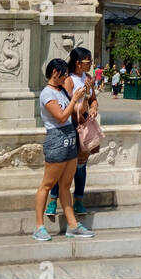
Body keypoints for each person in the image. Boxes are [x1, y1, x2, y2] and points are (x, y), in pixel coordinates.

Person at [33, 59, 93, 242]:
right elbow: (60, 117)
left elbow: (76, 111)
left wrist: (85, 95)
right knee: (47, 184)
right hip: (57, 139)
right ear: (54, 73)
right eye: (64, 74)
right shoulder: (47, 94)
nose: (66, 77)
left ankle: (73, 225)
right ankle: (39, 226)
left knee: (66, 185)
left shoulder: (61, 92)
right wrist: (74, 99)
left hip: (70, 138)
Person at [46, 46, 99, 220]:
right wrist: (83, 99)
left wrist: (93, 108)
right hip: (73, 126)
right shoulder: (68, 80)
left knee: (81, 166)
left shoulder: (88, 78)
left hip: (84, 124)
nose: (90, 63)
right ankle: (53, 200)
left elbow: (93, 100)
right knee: (62, 166)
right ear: (77, 63)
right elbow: (70, 105)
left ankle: (78, 199)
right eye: (87, 61)